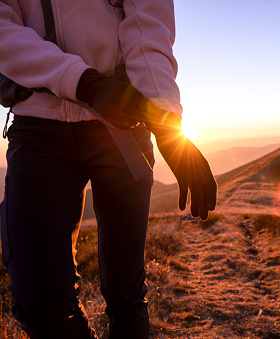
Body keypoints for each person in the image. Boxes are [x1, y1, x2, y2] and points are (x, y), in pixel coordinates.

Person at [0, 0, 217, 337]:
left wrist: (166, 121)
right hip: (38, 126)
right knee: (39, 305)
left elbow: (148, 27)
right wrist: (84, 82)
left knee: (126, 293)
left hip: (122, 121)